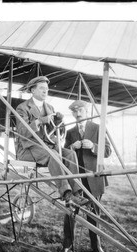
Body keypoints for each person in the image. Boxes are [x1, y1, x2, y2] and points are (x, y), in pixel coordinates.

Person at [15, 76, 85, 206]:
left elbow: (52, 130)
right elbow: (22, 131)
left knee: (70, 154)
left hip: (47, 147)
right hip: (28, 149)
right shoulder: (22, 108)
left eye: (46, 89)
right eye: (41, 88)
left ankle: (77, 192)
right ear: (32, 90)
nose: (45, 91)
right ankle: (66, 193)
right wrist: (40, 121)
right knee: (54, 154)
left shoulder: (50, 108)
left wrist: (57, 122)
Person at [62, 99, 112, 252]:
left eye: (80, 111)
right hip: (76, 179)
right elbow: (63, 154)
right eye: (74, 111)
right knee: (70, 213)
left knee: (94, 214)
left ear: (87, 111)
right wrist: (71, 147)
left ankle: (96, 247)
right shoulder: (70, 132)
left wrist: (93, 146)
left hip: (94, 178)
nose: (77, 114)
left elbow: (108, 151)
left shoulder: (98, 128)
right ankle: (67, 245)